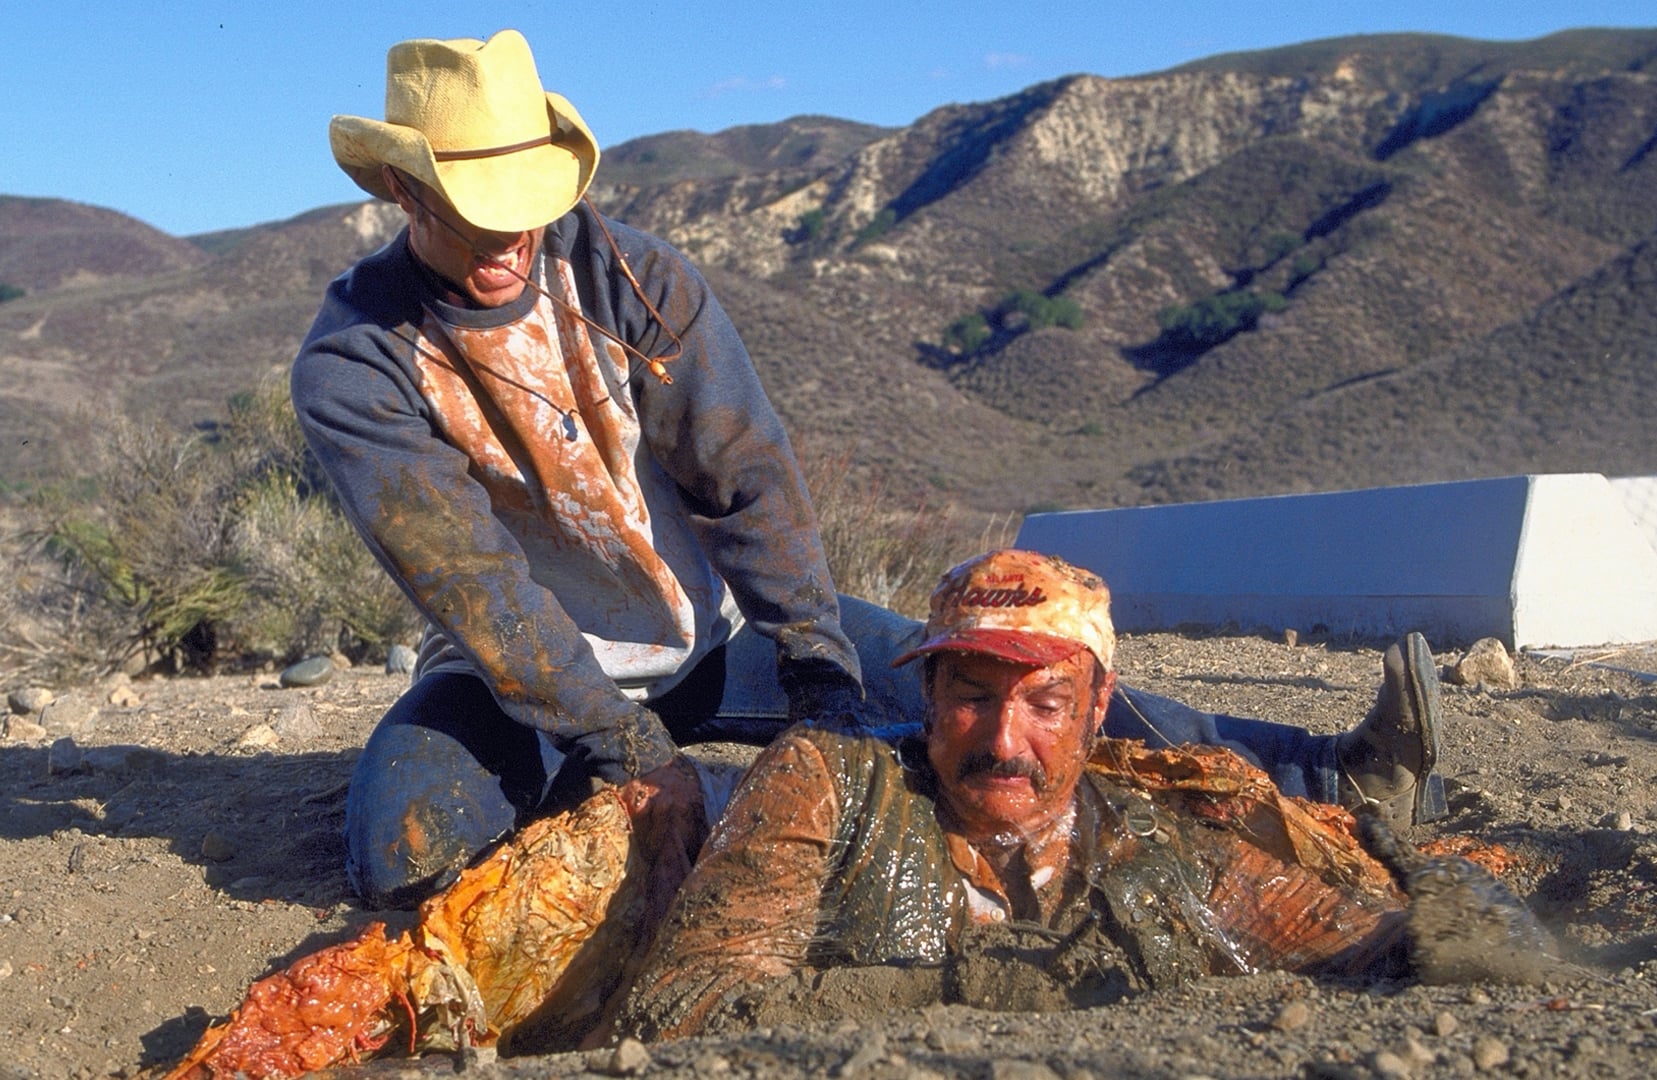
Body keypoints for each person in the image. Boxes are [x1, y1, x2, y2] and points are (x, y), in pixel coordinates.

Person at [293, 29, 1443, 910]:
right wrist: (623, 748)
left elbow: (748, 477)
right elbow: (478, 591)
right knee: (406, 851)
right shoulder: (357, 363)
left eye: (528, 209)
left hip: (710, 630)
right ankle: (667, 814)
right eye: (473, 208)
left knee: (992, 684)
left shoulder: (637, 282)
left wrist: (817, 663)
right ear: (400, 191)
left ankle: (1330, 773)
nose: (510, 240)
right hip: (516, 678)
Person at [611, 550, 1531, 1043]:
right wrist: (979, 983)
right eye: (970, 697)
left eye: (1045, 705)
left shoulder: (1148, 848)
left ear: (1098, 712)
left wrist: (1458, 921)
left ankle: (1337, 776)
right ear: (926, 697)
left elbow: (1364, 945)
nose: (1003, 742)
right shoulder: (829, 785)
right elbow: (689, 1007)